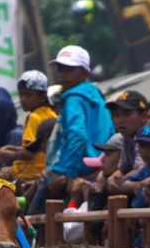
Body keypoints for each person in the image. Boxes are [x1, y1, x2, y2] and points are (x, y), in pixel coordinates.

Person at [33, 45, 113, 214]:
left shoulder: (73, 98)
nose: (62, 75)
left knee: (31, 221)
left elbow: (77, 135)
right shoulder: (97, 96)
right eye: (60, 70)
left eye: (69, 70)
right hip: (97, 165)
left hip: (73, 169)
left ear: (84, 73)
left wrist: (70, 175)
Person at [0, 71, 57, 182]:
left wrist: (8, 155)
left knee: (1, 175)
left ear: (42, 97)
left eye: (28, 95)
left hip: (29, 173)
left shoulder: (33, 117)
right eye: (21, 94)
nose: (23, 99)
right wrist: (10, 148)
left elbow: (30, 155)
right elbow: (36, 148)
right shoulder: (51, 114)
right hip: (43, 169)